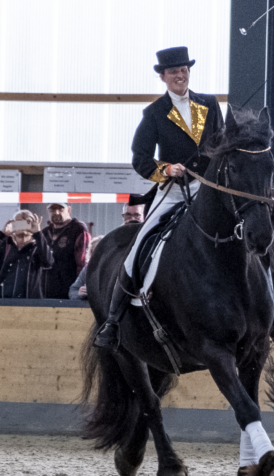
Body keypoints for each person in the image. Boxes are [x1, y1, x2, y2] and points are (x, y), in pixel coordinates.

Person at [95, 46, 225, 350]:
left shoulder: (209, 104)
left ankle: (270, 313)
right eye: (173, 72)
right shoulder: (154, 113)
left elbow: (223, 142)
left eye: (184, 70)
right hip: (174, 189)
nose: (180, 76)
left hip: (208, 187)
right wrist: (166, 168)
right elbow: (140, 158)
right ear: (163, 77)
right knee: (139, 243)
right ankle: (113, 319)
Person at [0, 210, 54, 299]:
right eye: (19, 223)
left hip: (31, 305)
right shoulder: (5, 245)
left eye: (28, 222)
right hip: (2, 303)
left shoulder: (38, 246)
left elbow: (48, 262)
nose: (23, 226)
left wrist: (38, 233)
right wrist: (1, 235)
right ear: (13, 224)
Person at [40, 202, 91, 299]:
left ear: (69, 209)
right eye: (52, 210)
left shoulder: (79, 230)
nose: (56, 212)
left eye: (60, 209)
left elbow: (83, 262)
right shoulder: (45, 232)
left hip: (69, 294)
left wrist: (78, 291)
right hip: (45, 293)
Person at [69, 236, 104, 301]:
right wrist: (79, 294)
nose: (99, 255)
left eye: (102, 252)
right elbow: (72, 291)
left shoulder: (116, 270)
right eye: (95, 252)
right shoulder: (87, 270)